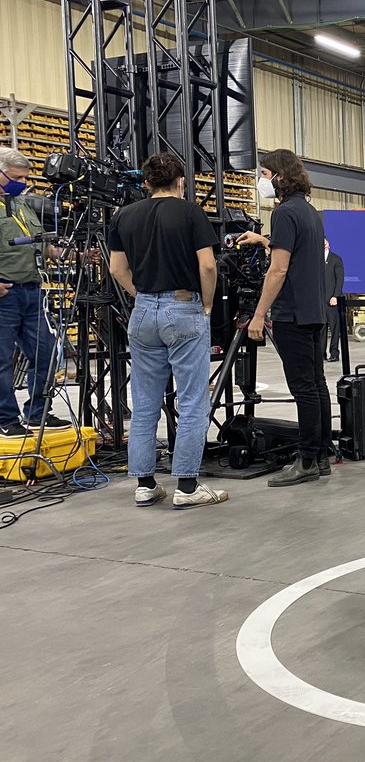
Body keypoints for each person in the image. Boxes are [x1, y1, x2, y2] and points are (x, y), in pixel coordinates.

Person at [108, 153, 228, 508]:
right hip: (183, 307)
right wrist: (205, 305)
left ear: (146, 183)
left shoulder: (124, 216)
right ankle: (187, 488)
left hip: (143, 310)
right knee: (192, 400)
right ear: (181, 181)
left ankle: (145, 484)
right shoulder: (190, 212)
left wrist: (142, 296)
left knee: (145, 402)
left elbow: (117, 268)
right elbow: (207, 265)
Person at [237, 150, 331, 486]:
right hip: (314, 311)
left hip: (292, 313)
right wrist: (265, 240)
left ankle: (305, 461)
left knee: (303, 388)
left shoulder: (284, 214)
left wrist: (259, 315)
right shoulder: (307, 211)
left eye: (264, 173)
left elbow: (278, 269)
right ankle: (320, 456)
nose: (261, 180)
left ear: (279, 175)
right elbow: (297, 250)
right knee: (316, 384)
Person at [0, 147, 70, 437]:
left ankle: (38, 412)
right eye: (16, 177)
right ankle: (6, 418)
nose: (22, 183)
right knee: (1, 361)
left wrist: (66, 252)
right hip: (5, 294)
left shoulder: (20, 204)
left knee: (47, 353)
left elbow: (39, 243)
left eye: (25, 178)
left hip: (31, 292)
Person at [323, 238, 345, 362]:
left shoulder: (336, 259)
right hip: (320, 301)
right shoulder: (315, 261)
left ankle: (334, 353)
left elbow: (339, 279)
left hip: (332, 301)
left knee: (335, 328)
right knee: (321, 329)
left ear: (328, 244)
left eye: (324, 242)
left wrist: (335, 296)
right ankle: (321, 353)